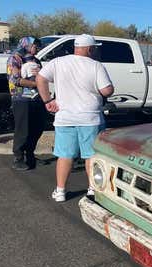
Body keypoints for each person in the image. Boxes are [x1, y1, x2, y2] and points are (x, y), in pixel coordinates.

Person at [36, 34, 114, 202]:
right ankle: (93, 188)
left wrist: (48, 100)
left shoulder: (58, 62)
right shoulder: (96, 66)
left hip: (65, 117)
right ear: (90, 49)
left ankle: (60, 191)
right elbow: (107, 90)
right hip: (90, 118)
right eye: (95, 48)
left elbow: (40, 78)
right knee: (90, 155)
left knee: (65, 155)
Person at [6, 37, 46, 171]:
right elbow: (16, 80)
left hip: (37, 98)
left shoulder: (36, 60)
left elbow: (43, 76)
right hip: (21, 98)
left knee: (37, 127)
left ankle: (30, 155)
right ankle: (18, 157)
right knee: (22, 129)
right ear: (26, 45)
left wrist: (41, 77)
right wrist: (37, 84)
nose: (37, 48)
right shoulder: (15, 59)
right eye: (35, 45)